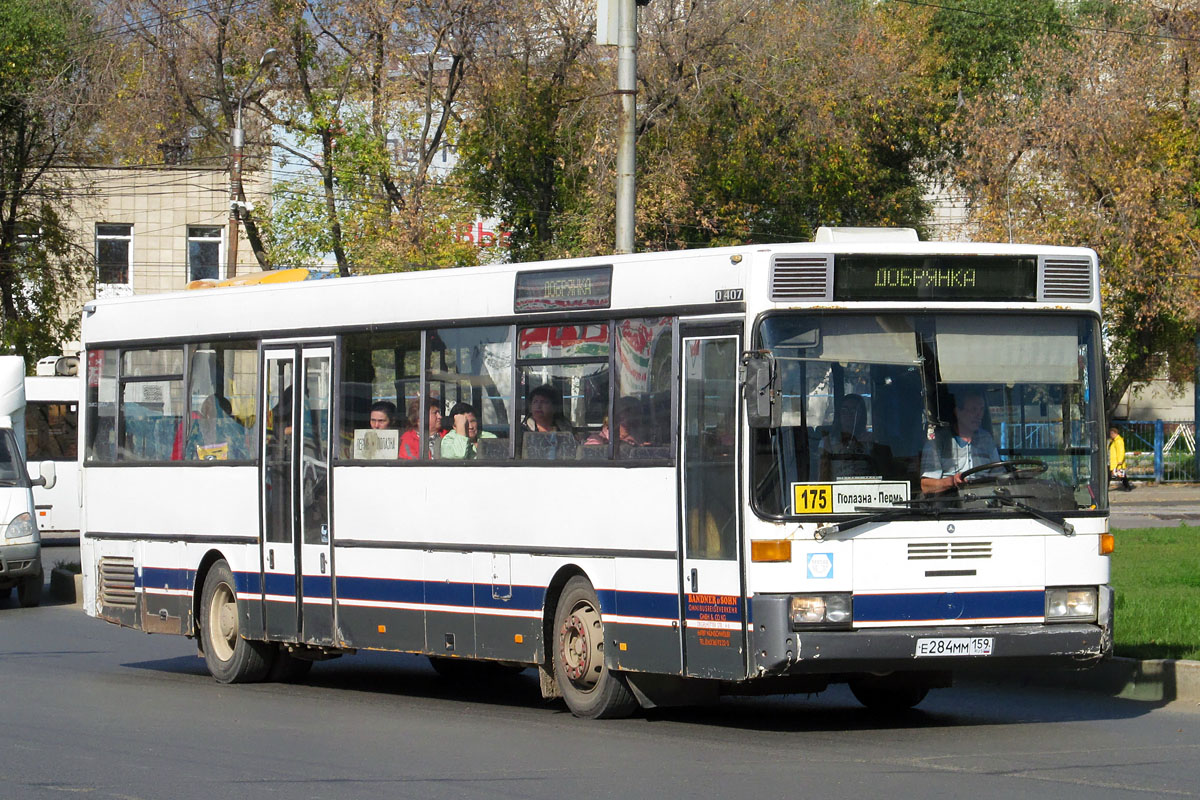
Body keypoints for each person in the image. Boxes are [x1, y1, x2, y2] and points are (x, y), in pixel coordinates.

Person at [920, 388, 1001, 495]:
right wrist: (952, 481)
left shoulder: (986, 439)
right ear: (957, 412)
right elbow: (926, 486)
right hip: (952, 502)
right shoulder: (938, 441)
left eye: (981, 410)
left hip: (985, 501)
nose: (979, 415)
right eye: (973, 410)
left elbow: (999, 474)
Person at [818, 393, 887, 480]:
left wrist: (873, 447)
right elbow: (823, 475)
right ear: (839, 414)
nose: (849, 415)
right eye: (844, 410)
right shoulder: (827, 442)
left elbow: (882, 471)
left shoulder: (870, 440)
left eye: (854, 411)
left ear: (862, 415)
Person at [186, 394, 250, 460]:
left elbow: (243, 456)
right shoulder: (198, 426)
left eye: (213, 410)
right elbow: (188, 454)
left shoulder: (233, 428)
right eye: (206, 410)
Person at [1109, 427, 1133, 491]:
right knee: (1120, 475)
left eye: (1111, 434)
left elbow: (1121, 451)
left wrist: (1120, 460)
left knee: (1121, 476)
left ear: (1115, 433)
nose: (1110, 435)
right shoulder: (1114, 441)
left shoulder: (1118, 441)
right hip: (1114, 461)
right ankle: (1127, 487)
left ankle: (1127, 487)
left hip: (1117, 461)